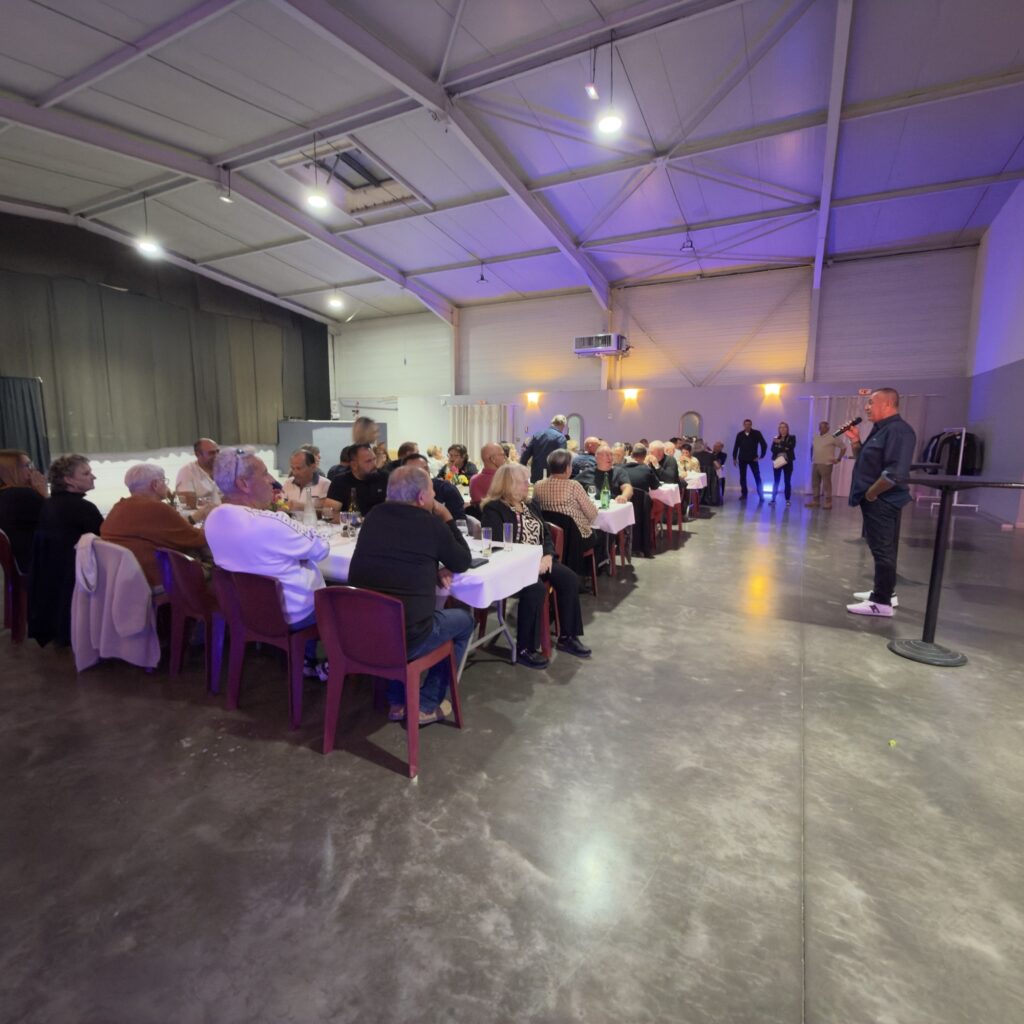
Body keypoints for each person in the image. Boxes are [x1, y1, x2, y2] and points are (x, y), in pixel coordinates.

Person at [348, 465, 474, 725]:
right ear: (421, 497)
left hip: (361, 631)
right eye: (431, 493)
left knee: (394, 612)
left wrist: (430, 566)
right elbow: (462, 560)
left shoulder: (373, 517)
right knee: (463, 619)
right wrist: (446, 516)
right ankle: (427, 704)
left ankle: (396, 701)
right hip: (407, 637)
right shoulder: (430, 524)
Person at [204, 446, 329, 677]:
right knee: (345, 600)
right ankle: (335, 665)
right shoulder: (269, 523)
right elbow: (321, 549)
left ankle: (306, 660)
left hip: (244, 610)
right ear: (243, 484)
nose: (272, 481)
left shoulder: (213, 519)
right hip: (293, 614)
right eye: (264, 473)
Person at [481, 463, 590, 667]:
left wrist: (548, 555)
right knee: (536, 589)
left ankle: (568, 636)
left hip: (540, 559)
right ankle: (525, 648)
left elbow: (546, 533)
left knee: (569, 579)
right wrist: (529, 561)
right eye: (524, 482)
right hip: (513, 564)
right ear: (509, 484)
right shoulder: (493, 508)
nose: (528, 485)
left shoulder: (531, 505)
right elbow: (498, 542)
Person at [845, 388, 917, 617]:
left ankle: (881, 603)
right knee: (881, 549)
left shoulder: (898, 431)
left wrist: (871, 494)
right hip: (877, 499)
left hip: (883, 500)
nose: (866, 407)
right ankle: (886, 591)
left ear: (887, 404)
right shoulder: (880, 429)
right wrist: (856, 441)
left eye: (870, 402)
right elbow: (867, 463)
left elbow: (894, 472)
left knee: (883, 550)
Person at [27, 454, 104, 647]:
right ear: (68, 480)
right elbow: (107, 542)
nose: (93, 477)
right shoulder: (83, 508)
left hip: (55, 579)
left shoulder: (48, 505)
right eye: (86, 473)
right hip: (80, 575)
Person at [100, 463, 208, 587]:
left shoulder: (119, 507)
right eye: (164, 481)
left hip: (126, 578)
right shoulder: (156, 508)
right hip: (157, 577)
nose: (167, 485)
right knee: (219, 569)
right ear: (155, 485)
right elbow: (194, 538)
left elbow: (168, 531)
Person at [533, 449, 598, 558]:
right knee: (600, 534)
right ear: (568, 468)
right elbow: (592, 514)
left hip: (550, 536)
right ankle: (592, 569)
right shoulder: (573, 485)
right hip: (575, 538)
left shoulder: (538, 485)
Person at [0, 448, 48, 572]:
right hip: (35, 564)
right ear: (10, 470)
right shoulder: (22, 494)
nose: (32, 470)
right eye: (27, 465)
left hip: (13, 566)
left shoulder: (5, 494)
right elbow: (56, 520)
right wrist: (43, 492)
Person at [324, 443, 388, 517]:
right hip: (351, 527)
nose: (374, 464)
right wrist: (358, 520)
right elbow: (329, 514)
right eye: (368, 461)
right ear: (354, 465)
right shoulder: (340, 481)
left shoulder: (385, 478)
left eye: (374, 459)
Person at [402, 453, 466, 520]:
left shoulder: (446, 489)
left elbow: (460, 524)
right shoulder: (400, 496)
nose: (422, 473)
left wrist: (443, 513)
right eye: (415, 470)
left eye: (425, 468)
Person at [806, 421, 846, 510]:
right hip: (816, 463)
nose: (821, 428)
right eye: (820, 426)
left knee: (826, 484)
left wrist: (839, 459)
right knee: (815, 483)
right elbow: (812, 447)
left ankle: (828, 502)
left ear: (828, 428)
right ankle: (815, 501)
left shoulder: (832, 437)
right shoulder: (816, 437)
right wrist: (811, 458)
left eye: (823, 427)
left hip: (826, 464)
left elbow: (843, 447)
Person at [175, 438, 221, 509]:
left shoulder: (225, 468)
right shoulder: (187, 471)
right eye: (211, 453)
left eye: (218, 452)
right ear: (198, 454)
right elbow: (187, 503)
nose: (216, 455)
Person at [521, 414, 567, 483]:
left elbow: (525, 454)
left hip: (536, 474)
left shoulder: (537, 434)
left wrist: (522, 471)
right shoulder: (561, 437)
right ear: (563, 425)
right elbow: (562, 459)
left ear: (552, 423)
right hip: (553, 476)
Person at [732, 419, 767, 501]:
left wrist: (761, 456)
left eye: (749, 424)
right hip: (742, 458)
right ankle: (744, 494)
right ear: (743, 425)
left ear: (751, 425)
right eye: (746, 424)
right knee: (742, 477)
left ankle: (761, 495)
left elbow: (764, 444)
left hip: (753, 459)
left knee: (757, 477)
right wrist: (734, 458)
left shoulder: (756, 433)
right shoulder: (740, 434)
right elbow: (736, 446)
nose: (747, 426)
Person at [768, 422, 796, 506]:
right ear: (779, 429)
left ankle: (787, 499)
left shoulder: (792, 437)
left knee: (787, 481)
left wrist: (780, 443)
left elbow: (791, 447)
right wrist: (784, 447)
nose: (782, 429)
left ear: (787, 429)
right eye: (780, 428)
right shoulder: (775, 437)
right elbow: (773, 449)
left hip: (788, 461)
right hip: (778, 461)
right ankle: (773, 499)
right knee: (776, 480)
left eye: (784, 427)